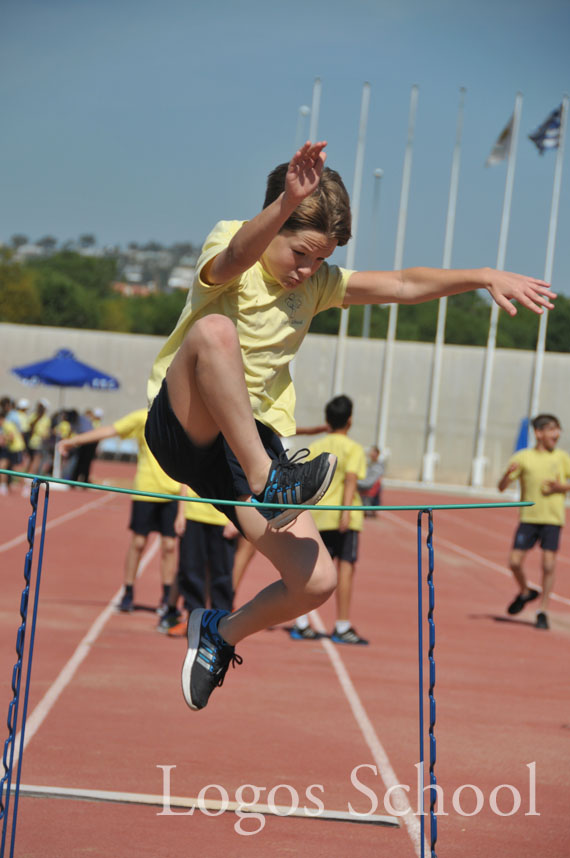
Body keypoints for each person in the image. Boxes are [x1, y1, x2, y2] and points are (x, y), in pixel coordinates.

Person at [143, 139, 555, 711]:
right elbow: (237, 256)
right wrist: (288, 201)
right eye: (302, 254)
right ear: (279, 223)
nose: (308, 271)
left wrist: (482, 274)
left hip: (242, 447)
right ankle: (272, 481)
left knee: (315, 582)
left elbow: (404, 286)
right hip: (184, 420)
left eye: (323, 259)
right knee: (214, 334)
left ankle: (219, 632)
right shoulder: (231, 242)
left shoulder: (317, 285)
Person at [58, 409, 183, 614]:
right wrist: (73, 441)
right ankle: (128, 590)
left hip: (175, 492)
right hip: (146, 489)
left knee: (170, 546)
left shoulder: (183, 419)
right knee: (139, 542)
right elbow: (110, 430)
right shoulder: (144, 416)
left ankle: (166, 597)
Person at [290, 395, 368, 644]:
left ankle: (302, 622)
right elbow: (351, 480)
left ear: (326, 420)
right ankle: (342, 625)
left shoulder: (315, 446)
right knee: (345, 570)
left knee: (311, 571)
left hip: (318, 517)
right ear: (350, 420)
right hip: (344, 519)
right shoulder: (353, 449)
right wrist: (346, 511)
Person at [498, 413, 570, 630]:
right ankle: (526, 592)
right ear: (538, 433)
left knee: (548, 564)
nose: (556, 434)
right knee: (514, 562)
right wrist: (507, 476)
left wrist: (561, 487)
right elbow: (501, 487)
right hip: (529, 518)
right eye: (551, 429)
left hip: (552, 519)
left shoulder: (562, 457)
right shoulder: (523, 457)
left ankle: (543, 610)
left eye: (558, 430)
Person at [158, 490, 239, 635]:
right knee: (190, 569)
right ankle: (193, 620)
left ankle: (220, 624)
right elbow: (184, 480)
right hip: (193, 514)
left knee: (222, 574)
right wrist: (180, 513)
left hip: (223, 518)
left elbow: (239, 484)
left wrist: (234, 519)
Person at [357, 445, 384, 517]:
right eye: (370, 451)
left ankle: (370, 510)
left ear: (377, 454)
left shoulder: (378, 465)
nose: (370, 453)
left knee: (371, 503)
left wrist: (358, 482)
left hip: (372, 486)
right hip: (366, 484)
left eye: (372, 451)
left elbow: (371, 480)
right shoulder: (368, 463)